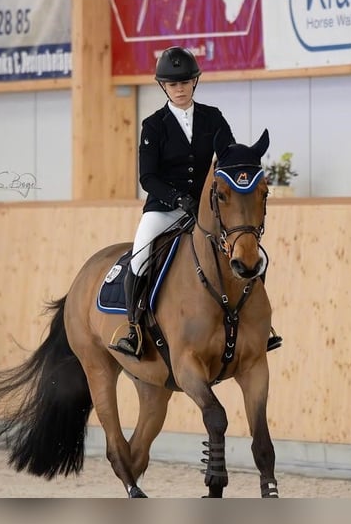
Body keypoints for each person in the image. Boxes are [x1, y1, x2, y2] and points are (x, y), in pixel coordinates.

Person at [110, 45, 282, 359]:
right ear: (164, 86)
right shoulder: (154, 125)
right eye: (173, 84)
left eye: (185, 82)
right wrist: (178, 198)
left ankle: (258, 325)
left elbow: (228, 159)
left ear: (194, 82)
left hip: (209, 211)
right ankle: (133, 328)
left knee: (255, 255)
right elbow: (147, 178)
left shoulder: (213, 118)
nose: (179, 89)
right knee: (140, 256)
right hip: (165, 209)